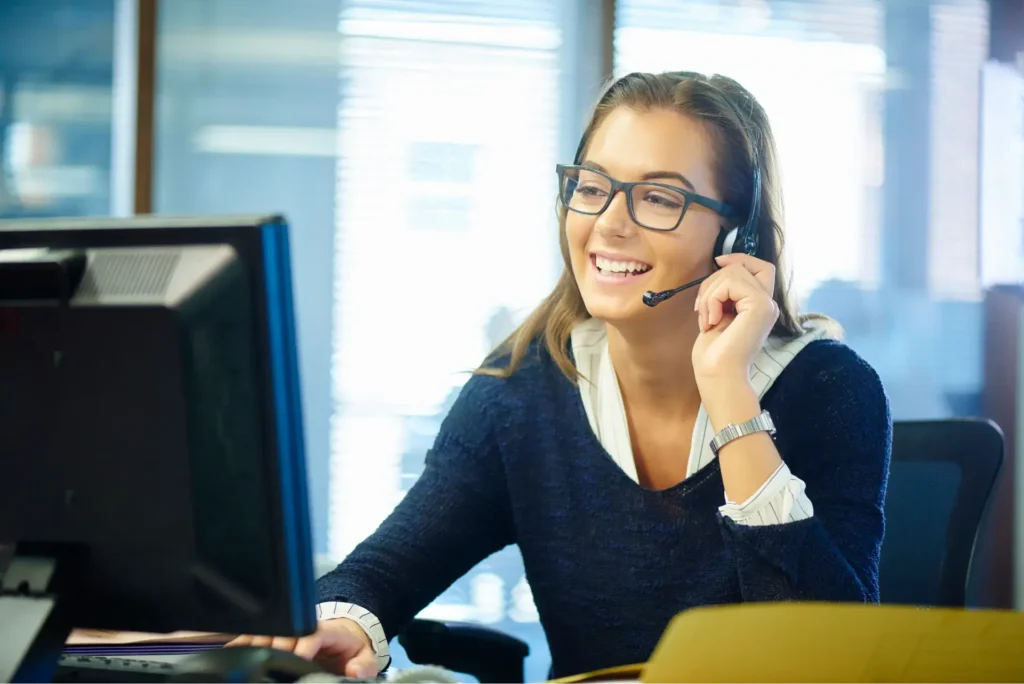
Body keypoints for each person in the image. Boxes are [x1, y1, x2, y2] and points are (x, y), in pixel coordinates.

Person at [228, 71, 891, 679]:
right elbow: (384, 570)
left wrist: (729, 395)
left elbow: (827, 659)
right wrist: (343, 622)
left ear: (735, 238)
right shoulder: (522, 390)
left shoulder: (830, 391)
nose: (609, 223)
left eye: (658, 197)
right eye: (593, 187)